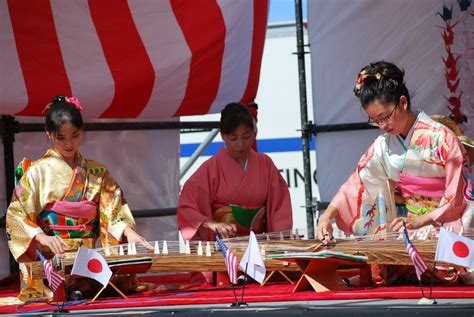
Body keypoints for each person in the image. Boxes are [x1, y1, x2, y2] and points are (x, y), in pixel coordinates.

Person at [6, 95, 153, 301]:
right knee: (57, 290)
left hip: (87, 261)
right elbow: (17, 213)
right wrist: (42, 237)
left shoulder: (97, 172)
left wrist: (128, 232)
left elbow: (114, 211)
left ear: (82, 132)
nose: (69, 143)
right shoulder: (36, 172)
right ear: (49, 134)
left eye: (75, 135)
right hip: (52, 260)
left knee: (116, 283)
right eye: (61, 137)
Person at [317, 60, 473, 243]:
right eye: (375, 121)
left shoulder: (442, 138)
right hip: (412, 232)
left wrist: (422, 220)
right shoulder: (383, 146)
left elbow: (458, 195)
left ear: (403, 102)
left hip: (447, 228)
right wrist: (327, 216)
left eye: (385, 117)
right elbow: (356, 184)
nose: (382, 126)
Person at [178, 103, 293, 240]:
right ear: (223, 136)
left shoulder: (265, 164)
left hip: (258, 244)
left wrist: (278, 241)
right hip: (222, 245)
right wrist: (211, 223)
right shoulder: (211, 168)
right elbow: (186, 207)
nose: (240, 144)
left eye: (246, 137)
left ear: (254, 134)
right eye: (233, 138)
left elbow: (280, 207)